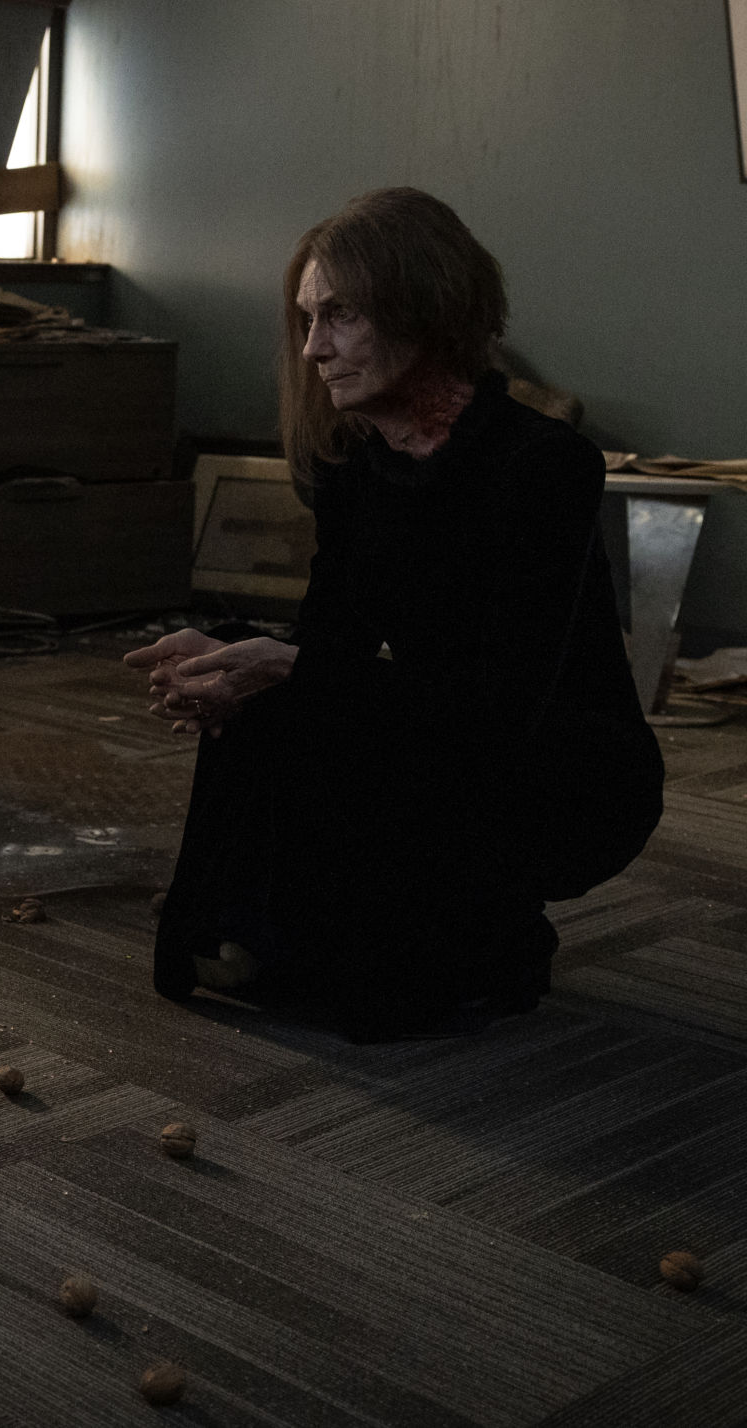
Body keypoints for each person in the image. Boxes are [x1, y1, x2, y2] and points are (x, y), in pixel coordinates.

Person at [125, 188, 663, 1042]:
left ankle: (490, 934)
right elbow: (330, 643)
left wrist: (291, 668)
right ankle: (256, 921)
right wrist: (229, 669)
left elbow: (501, 706)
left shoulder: (541, 465)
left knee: (378, 999)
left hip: (553, 765)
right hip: (436, 726)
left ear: (424, 306)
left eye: (340, 315)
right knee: (243, 658)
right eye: (307, 319)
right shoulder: (357, 465)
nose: (314, 348)